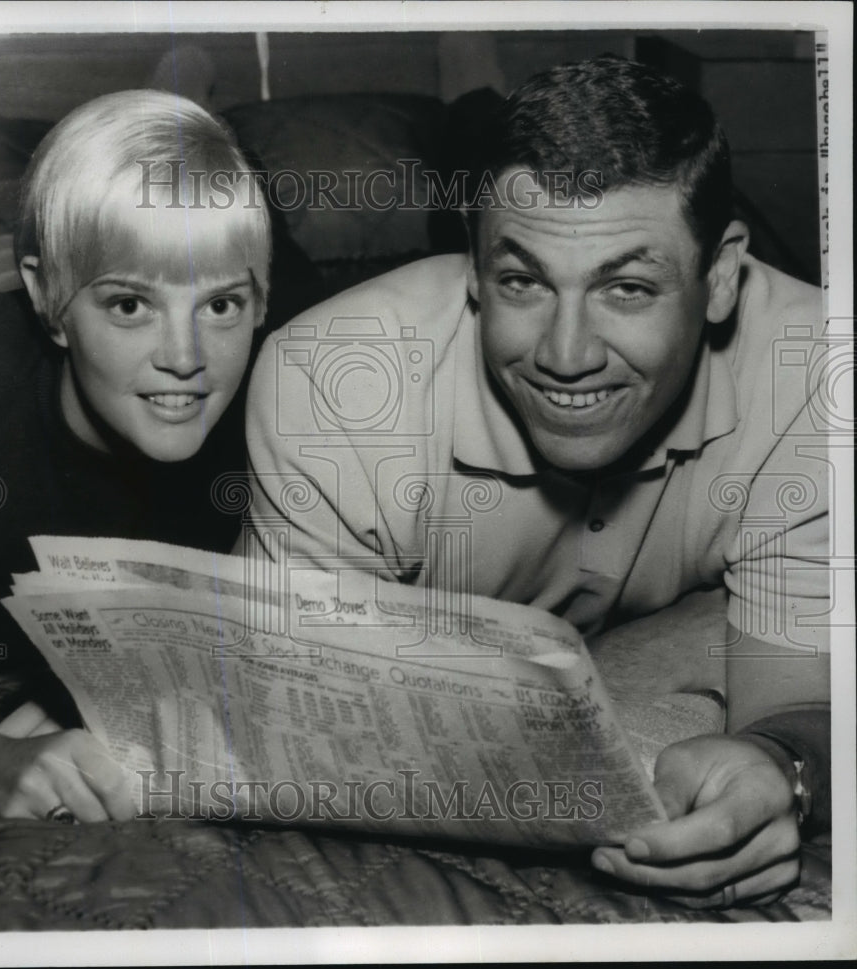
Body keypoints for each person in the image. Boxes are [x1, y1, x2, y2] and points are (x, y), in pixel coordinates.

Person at [243, 56, 831, 907]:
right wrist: (692, 641)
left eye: (626, 287)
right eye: (522, 280)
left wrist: (780, 763)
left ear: (723, 274)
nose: (565, 355)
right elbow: (315, 736)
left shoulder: (816, 371)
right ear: (475, 270)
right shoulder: (329, 376)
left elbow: (802, 706)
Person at [0, 90, 274, 823]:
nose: (187, 359)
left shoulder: (287, 389)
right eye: (130, 304)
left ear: (263, 301)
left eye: (221, 304)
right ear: (46, 297)